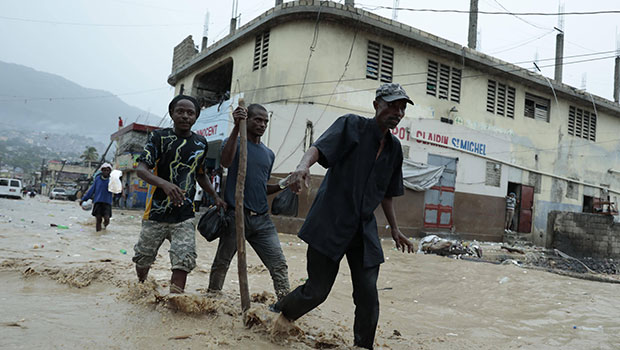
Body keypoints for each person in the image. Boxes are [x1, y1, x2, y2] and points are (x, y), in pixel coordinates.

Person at [271, 83, 415, 349]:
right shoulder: (351, 126)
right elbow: (319, 148)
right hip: (331, 222)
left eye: (402, 107)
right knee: (317, 291)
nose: (397, 111)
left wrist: (395, 229)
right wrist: (302, 166)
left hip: (363, 229)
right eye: (392, 105)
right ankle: (282, 313)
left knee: (368, 293)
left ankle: (363, 346)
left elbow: (387, 194)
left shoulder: (395, 149)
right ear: (376, 105)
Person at [132, 95, 224, 294]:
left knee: (183, 261)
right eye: (180, 111)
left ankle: (175, 302)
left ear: (196, 117)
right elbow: (141, 170)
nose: (185, 116)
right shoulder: (159, 138)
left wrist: (216, 196)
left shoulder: (201, 143)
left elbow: (201, 175)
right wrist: (164, 184)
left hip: (185, 215)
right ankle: (141, 288)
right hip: (155, 213)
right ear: (172, 114)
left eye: (190, 113)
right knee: (143, 257)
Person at [207, 103, 290, 300]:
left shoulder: (268, 154)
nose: (262, 124)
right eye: (257, 120)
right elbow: (226, 162)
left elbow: (262, 187)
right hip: (236, 216)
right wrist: (237, 126)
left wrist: (285, 184)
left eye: (265, 121)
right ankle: (212, 300)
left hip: (262, 219)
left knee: (278, 264)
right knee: (222, 262)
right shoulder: (234, 143)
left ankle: (285, 306)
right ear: (247, 119)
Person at [80, 163, 114, 232]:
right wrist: (83, 199)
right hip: (98, 202)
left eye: (107, 170)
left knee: (107, 219)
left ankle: (104, 227)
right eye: (104, 170)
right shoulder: (97, 179)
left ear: (109, 171)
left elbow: (117, 189)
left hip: (107, 203)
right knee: (98, 219)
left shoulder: (112, 180)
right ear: (102, 171)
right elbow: (91, 190)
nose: (105, 172)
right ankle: (98, 234)